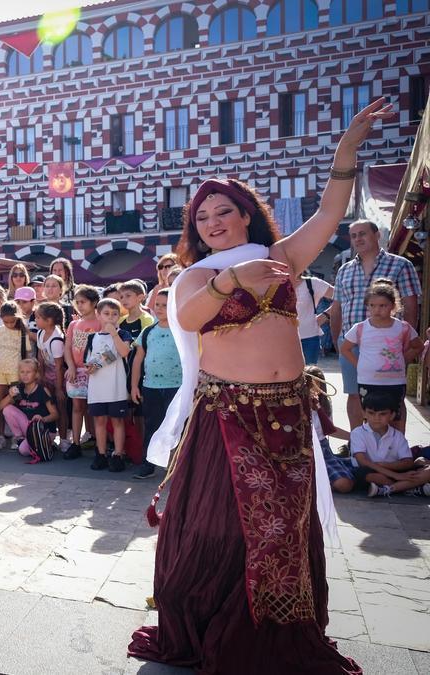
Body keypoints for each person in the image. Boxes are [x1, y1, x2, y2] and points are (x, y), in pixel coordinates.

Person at [129, 97, 391, 674]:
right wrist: (230, 279)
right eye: (201, 218)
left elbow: (328, 214)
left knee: (288, 528)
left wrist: (345, 152)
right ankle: (216, 628)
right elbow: (191, 321)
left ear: (245, 213)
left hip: (290, 414)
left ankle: (281, 630)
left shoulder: (280, 257)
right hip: (229, 415)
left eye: (222, 212)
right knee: (227, 529)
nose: (212, 223)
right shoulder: (198, 275)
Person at [329, 219, 421, 430]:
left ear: (376, 235)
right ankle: (358, 444)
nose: (358, 239)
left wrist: (404, 345)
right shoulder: (344, 270)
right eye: (353, 236)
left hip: (388, 344)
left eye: (362, 233)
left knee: (393, 395)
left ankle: (396, 446)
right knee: (354, 395)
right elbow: (337, 307)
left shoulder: (400, 264)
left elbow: (410, 305)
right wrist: (337, 339)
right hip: (352, 344)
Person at [339, 279, 422, 432]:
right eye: (372, 305)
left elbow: (418, 346)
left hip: (395, 382)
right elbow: (345, 349)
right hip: (368, 381)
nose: (377, 310)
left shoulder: (402, 327)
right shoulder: (360, 328)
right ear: (367, 306)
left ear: (393, 306)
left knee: (395, 415)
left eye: (382, 305)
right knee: (371, 417)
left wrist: (402, 360)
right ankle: (370, 449)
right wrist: (360, 365)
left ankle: (397, 447)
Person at [130, 290, 181, 480]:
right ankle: (148, 464)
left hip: (177, 387)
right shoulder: (148, 331)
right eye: (157, 304)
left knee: (176, 427)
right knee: (152, 425)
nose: (159, 309)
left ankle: (177, 465)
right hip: (151, 386)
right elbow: (138, 360)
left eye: (165, 305)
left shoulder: (183, 331)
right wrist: (135, 386)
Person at [84, 297, 132, 472]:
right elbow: (88, 361)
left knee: (118, 421)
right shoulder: (92, 338)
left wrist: (114, 333)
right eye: (106, 314)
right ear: (98, 315)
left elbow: (124, 352)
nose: (110, 317)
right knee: (99, 421)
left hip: (116, 388)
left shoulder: (123, 334)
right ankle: (101, 454)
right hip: (97, 389)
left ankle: (118, 454)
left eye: (114, 314)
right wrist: (90, 367)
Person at [351, 393, 429, 498]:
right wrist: (397, 476)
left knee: (427, 471)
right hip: (372, 471)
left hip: (393, 470)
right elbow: (362, 461)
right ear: (364, 413)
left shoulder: (397, 435)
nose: (376, 418)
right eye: (371, 413)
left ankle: (387, 489)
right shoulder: (357, 433)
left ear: (392, 415)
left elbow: (408, 462)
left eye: (382, 414)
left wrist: (385, 466)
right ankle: (408, 488)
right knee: (364, 474)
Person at [0, 301, 36, 448]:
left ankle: (18, 435)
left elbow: (28, 354)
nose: (9, 324)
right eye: (6, 322)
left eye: (12, 321)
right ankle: (1, 434)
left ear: (18, 318)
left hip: (16, 374)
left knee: (16, 402)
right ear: (1, 318)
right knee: (1, 402)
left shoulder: (23, 333)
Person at [63, 285, 102, 457]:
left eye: (83, 302)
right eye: (77, 302)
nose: (80, 305)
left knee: (95, 409)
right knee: (77, 407)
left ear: (94, 303)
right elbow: (68, 347)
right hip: (77, 371)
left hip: (96, 372)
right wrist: (71, 366)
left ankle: (98, 442)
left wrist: (95, 366)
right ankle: (76, 443)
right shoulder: (73, 324)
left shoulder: (101, 322)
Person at [305, 365, 355, 494]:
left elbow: (330, 429)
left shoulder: (324, 404)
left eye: (317, 387)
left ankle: (322, 485)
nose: (313, 391)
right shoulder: (295, 404)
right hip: (304, 449)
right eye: (309, 387)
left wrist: (353, 436)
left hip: (322, 449)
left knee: (344, 484)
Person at [0, 358, 57, 463]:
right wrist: (10, 396)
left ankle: (46, 444)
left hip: (42, 430)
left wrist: (42, 419)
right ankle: (20, 438)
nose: (25, 375)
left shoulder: (42, 390)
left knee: (23, 450)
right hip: (28, 427)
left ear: (36, 374)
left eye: (28, 372)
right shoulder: (19, 389)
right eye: (22, 372)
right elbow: (0, 408)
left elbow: (55, 414)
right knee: (7, 409)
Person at [34, 301, 67, 441]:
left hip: (59, 377)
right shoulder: (41, 333)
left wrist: (59, 389)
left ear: (48, 321)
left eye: (38, 317)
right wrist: (40, 376)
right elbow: (41, 356)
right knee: (48, 406)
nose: (35, 320)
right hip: (47, 374)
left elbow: (59, 366)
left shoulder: (57, 339)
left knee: (61, 408)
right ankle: (50, 436)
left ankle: (64, 439)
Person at [297, 273, 334, 364]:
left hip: (309, 339)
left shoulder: (312, 283)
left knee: (309, 376)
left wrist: (325, 315)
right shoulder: (275, 283)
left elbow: (342, 297)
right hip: (281, 339)